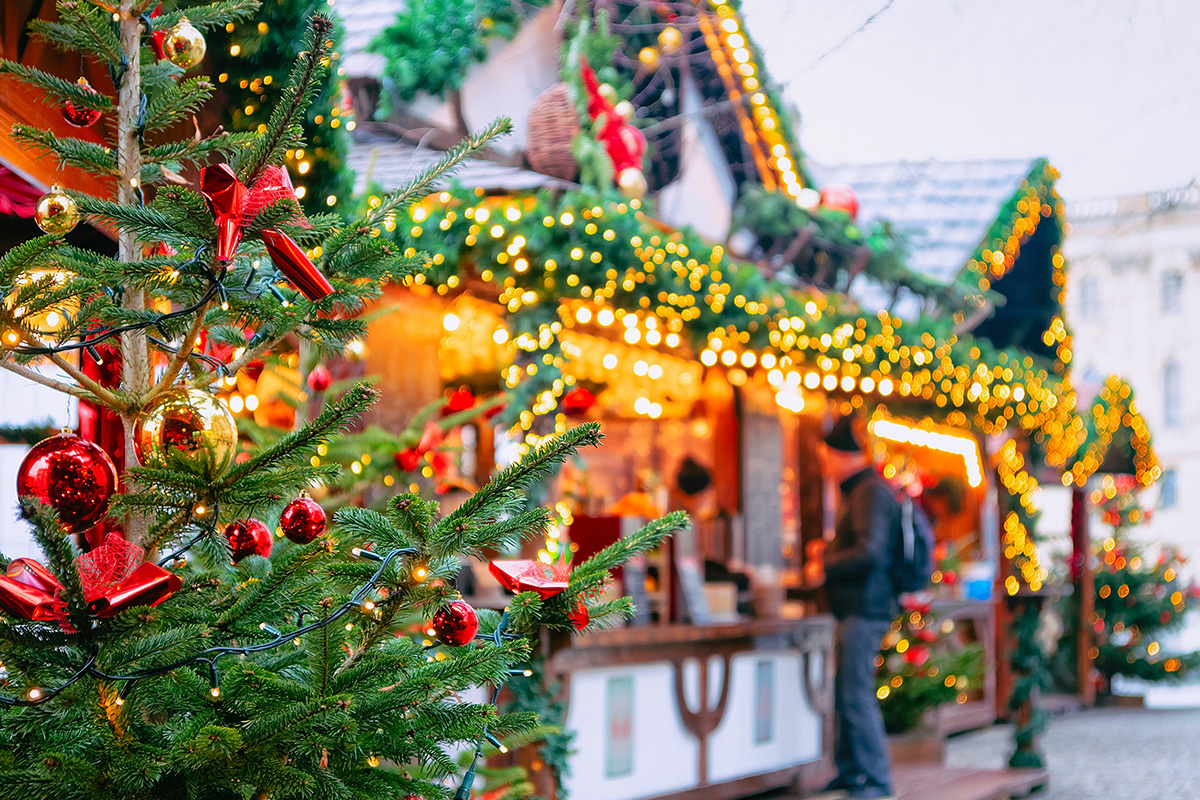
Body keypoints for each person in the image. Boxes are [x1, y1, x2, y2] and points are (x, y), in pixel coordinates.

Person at [813, 414, 900, 800]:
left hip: (866, 608)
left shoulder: (869, 492)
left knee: (856, 693)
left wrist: (824, 563)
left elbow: (870, 551)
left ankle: (877, 781)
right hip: (857, 606)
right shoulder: (861, 492)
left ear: (842, 455)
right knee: (846, 690)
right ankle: (851, 773)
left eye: (826, 457)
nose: (824, 465)